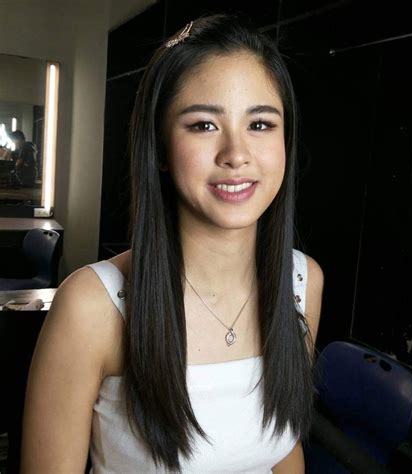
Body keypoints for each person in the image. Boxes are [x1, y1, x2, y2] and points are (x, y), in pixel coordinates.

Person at [21, 13, 324, 473]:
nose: (236, 154)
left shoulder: (303, 281)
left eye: (261, 124)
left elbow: (283, 451)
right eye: (204, 125)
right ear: (161, 148)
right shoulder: (93, 306)